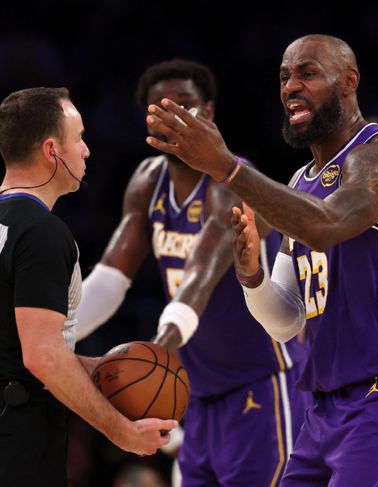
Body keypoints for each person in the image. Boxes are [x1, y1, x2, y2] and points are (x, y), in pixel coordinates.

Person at [145, 34, 378, 486]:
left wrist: (225, 167)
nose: (291, 86)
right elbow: (287, 321)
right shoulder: (301, 182)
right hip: (325, 407)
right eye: (284, 77)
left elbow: (326, 225)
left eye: (308, 73)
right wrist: (252, 276)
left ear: (348, 81)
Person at [75, 59, 310, 487]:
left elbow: (198, 278)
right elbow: (110, 278)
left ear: (210, 112)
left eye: (185, 105)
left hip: (260, 383)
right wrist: (57, 336)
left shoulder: (234, 183)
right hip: (197, 392)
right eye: (160, 107)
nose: (174, 116)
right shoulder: (148, 182)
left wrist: (156, 351)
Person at [0, 87, 176, 487]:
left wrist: (93, 368)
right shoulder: (42, 231)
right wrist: (123, 432)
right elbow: (41, 355)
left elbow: (14, 345)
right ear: (51, 150)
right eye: (78, 138)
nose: (86, 150)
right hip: (18, 434)